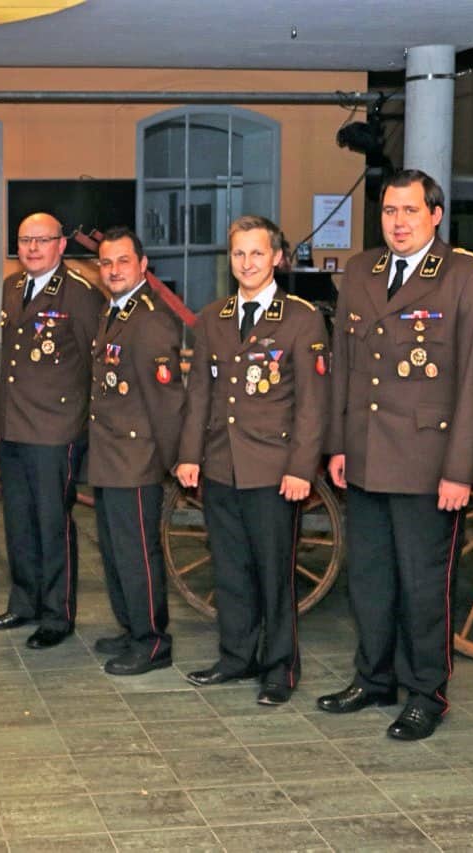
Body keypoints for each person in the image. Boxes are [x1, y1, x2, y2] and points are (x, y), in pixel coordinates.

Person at [322, 169, 473, 740]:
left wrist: (460, 470)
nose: (398, 223)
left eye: (410, 211)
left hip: (428, 462)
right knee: (369, 579)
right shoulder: (360, 271)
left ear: (435, 215)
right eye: (389, 211)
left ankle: (427, 693)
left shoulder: (467, 276)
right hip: (365, 455)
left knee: (425, 588)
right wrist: (337, 444)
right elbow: (343, 366)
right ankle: (373, 679)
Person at [175, 215, 330, 705]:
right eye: (239, 254)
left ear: (277, 258)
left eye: (257, 253)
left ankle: (280, 669)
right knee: (230, 570)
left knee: (273, 573)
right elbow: (199, 394)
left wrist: (301, 468)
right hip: (222, 464)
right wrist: (189, 455)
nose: (247, 263)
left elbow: (312, 404)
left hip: (274, 469)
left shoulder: (301, 318)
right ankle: (236, 656)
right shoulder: (212, 318)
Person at [0, 212, 104, 649]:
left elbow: (94, 364)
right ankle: (24, 602)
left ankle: (57, 614)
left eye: (42, 240)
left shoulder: (81, 294)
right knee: (18, 523)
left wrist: (84, 426)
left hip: (56, 431)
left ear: (60, 245)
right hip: (14, 428)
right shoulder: (12, 286)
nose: (32, 248)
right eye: (24, 241)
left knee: (53, 524)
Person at [88, 226, 185, 675]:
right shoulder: (115, 310)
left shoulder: (149, 318)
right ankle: (132, 628)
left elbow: (167, 401)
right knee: (114, 552)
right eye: (106, 262)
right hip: (109, 456)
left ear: (143, 265)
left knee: (137, 556)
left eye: (123, 261)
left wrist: (171, 460)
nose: (114, 270)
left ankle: (152, 642)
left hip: (136, 458)